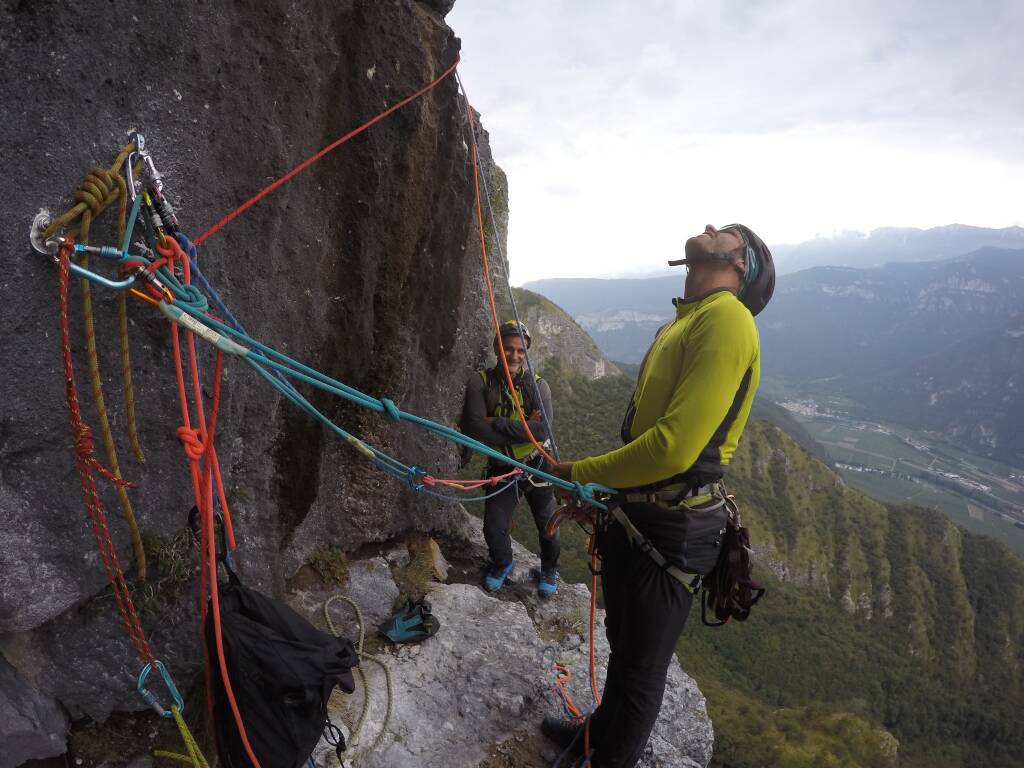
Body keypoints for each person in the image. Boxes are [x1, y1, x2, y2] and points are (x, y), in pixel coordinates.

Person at [542, 223, 775, 767]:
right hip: (644, 514)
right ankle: (593, 738)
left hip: (674, 525)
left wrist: (580, 472)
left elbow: (673, 449)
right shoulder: (691, 318)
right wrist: (605, 488)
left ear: (741, 266)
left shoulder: (728, 319)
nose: (714, 227)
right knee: (625, 650)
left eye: (730, 232)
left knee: (642, 669)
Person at [461, 320, 561, 597]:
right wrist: (524, 428)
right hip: (503, 466)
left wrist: (498, 423)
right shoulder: (480, 382)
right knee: (494, 526)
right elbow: (475, 428)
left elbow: (543, 430)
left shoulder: (539, 387)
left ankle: (550, 569)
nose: (515, 356)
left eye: (520, 350)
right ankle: (503, 562)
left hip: (537, 463)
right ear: (497, 349)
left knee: (548, 522)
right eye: (508, 349)